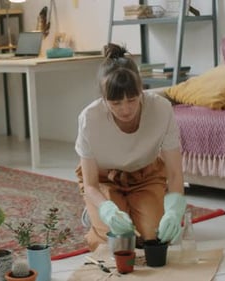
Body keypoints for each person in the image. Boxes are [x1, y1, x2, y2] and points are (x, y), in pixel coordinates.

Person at [75, 43, 187, 251]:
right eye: (115, 103)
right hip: (103, 180)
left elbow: (174, 173)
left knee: (156, 236)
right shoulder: (89, 119)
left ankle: (129, 210)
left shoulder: (161, 110)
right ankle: (97, 212)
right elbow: (90, 184)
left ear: (141, 91)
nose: (126, 110)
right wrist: (106, 209)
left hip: (145, 175)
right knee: (116, 242)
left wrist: (174, 210)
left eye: (132, 100)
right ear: (103, 98)